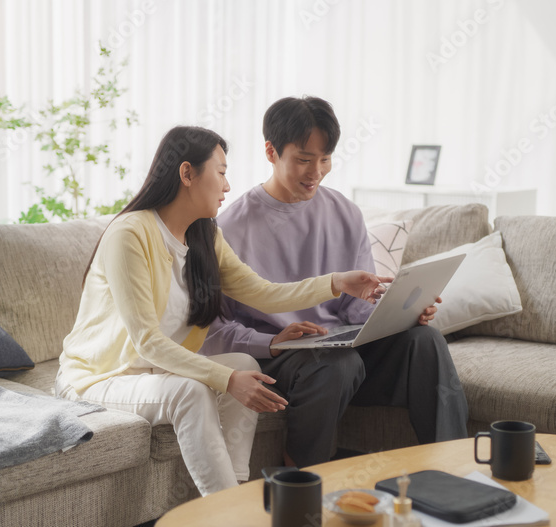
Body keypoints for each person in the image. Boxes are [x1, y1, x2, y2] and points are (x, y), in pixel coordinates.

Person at [55, 125, 390, 496]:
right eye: (221, 172)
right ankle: (228, 514)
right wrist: (223, 379)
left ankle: (232, 496)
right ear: (187, 174)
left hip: (158, 370)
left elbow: (263, 293)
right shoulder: (130, 234)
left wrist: (336, 282)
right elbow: (147, 342)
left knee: (246, 366)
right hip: (100, 377)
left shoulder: (204, 236)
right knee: (193, 392)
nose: (228, 186)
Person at [200, 97, 469, 468]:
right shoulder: (229, 227)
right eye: (304, 159)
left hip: (341, 352)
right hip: (279, 359)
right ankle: (299, 476)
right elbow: (211, 329)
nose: (316, 172)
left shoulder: (344, 212)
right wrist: (271, 342)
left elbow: (355, 308)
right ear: (270, 151)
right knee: (336, 364)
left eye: (325, 159)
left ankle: (453, 469)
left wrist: (400, 310)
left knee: (425, 343)